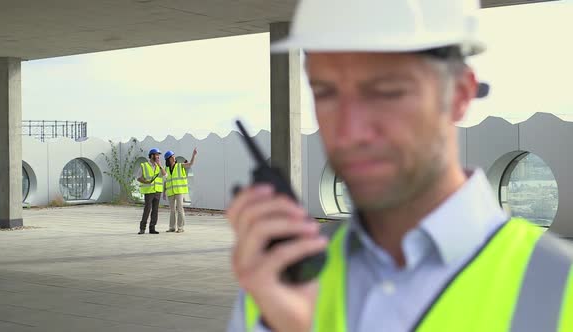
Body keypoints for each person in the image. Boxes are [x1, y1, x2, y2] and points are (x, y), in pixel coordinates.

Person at [226, 1, 573, 331]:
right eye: (326, 93)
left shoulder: (562, 289)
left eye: (387, 91)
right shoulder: (274, 281)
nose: (349, 131)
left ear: (460, 95)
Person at [163, 148, 198, 233]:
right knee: (172, 210)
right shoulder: (166, 169)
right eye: (172, 157)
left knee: (180, 209)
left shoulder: (180, 165)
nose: (174, 158)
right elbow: (165, 181)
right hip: (170, 192)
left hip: (179, 191)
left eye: (174, 156)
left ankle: (180, 227)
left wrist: (194, 155)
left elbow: (190, 164)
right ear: (168, 159)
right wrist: (164, 192)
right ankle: (172, 227)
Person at [137, 148, 166, 234]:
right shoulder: (144, 165)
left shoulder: (159, 167)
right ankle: (142, 228)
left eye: (158, 155)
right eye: (157, 155)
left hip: (157, 191)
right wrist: (146, 182)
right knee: (147, 209)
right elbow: (139, 177)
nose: (158, 157)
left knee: (155, 210)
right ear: (152, 155)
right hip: (149, 191)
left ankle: (152, 228)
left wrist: (160, 165)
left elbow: (165, 175)